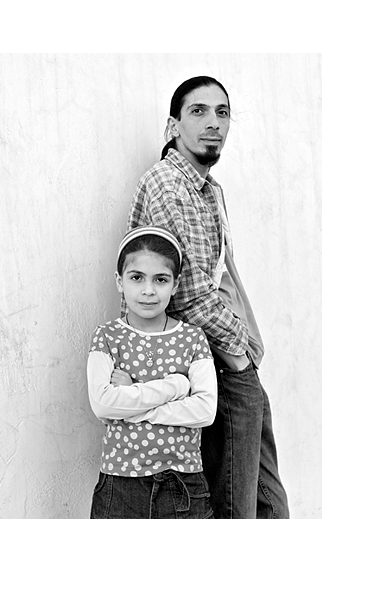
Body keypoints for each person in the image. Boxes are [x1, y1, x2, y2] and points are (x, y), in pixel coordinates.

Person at [125, 76, 289, 519]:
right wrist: (239, 353)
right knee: (238, 509)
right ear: (173, 126)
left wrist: (247, 351)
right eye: (198, 111)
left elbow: (221, 276)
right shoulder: (168, 185)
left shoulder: (208, 189)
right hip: (213, 362)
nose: (213, 122)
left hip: (231, 359)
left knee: (268, 503)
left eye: (222, 112)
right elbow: (187, 293)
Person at [87, 226, 218, 519]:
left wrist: (130, 402)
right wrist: (175, 387)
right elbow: (103, 404)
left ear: (175, 284)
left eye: (160, 279)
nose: (148, 290)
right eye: (137, 278)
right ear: (119, 281)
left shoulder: (193, 338)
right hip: (120, 484)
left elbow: (205, 410)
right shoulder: (107, 336)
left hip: (183, 484)